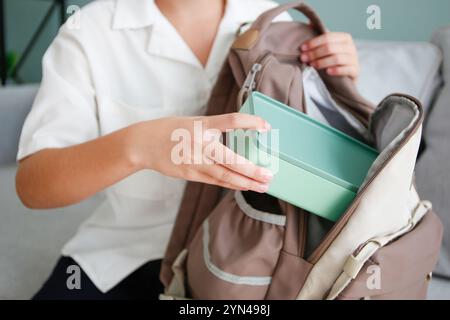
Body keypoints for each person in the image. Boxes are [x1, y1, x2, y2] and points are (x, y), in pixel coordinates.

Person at [16, 0, 360, 300]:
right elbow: (34, 185)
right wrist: (138, 147)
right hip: (123, 256)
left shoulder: (278, 26)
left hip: (251, 257)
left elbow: (330, 166)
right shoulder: (88, 32)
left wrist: (339, 89)